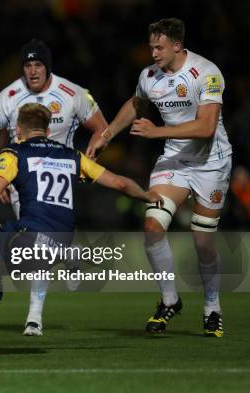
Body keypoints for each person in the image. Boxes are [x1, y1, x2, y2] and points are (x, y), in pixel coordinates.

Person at [0, 103, 160, 358]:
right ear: (47, 131)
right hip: (61, 239)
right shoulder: (72, 156)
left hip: (31, 235)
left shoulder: (15, 152)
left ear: (18, 130)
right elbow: (120, 182)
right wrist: (147, 195)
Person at [88, 18, 231, 338]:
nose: (152, 53)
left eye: (159, 47)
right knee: (152, 226)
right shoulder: (149, 76)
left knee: (202, 241)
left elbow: (207, 127)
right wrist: (107, 133)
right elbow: (136, 103)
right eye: (151, 46)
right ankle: (169, 300)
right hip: (174, 161)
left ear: (177, 46)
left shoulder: (206, 73)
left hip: (211, 164)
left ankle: (212, 307)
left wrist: (157, 131)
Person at [0, 39, 109, 336]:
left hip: (59, 180)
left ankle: (37, 310)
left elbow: (102, 127)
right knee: (38, 245)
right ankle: (39, 308)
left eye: (38, 65)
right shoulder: (8, 95)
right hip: (22, 182)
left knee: (39, 245)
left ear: (48, 67)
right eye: (27, 65)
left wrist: (90, 156)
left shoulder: (72, 93)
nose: (32, 71)